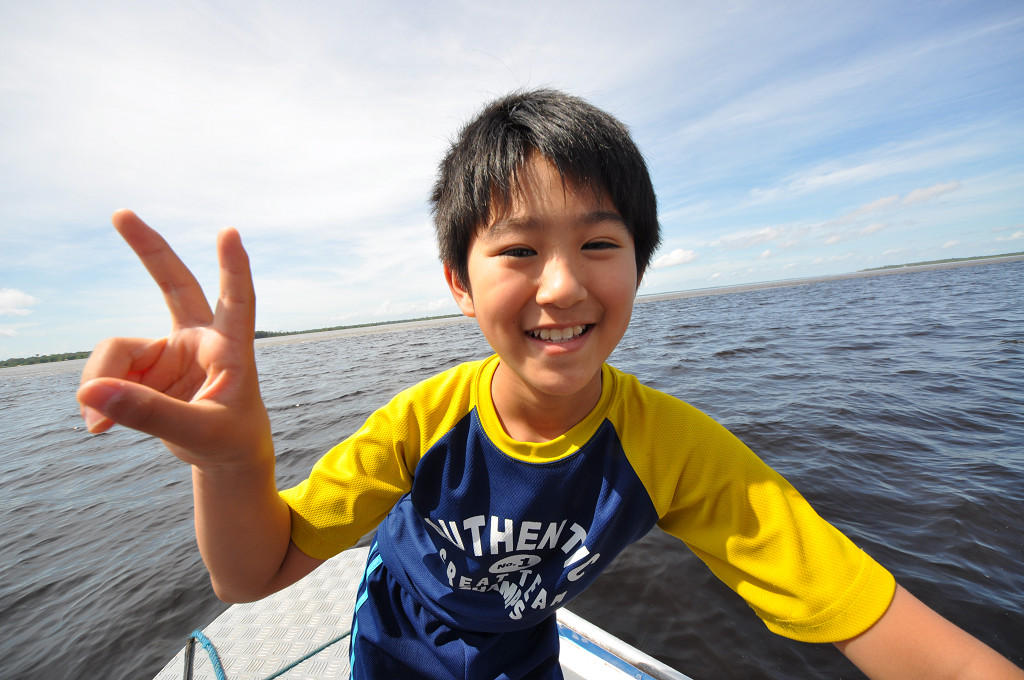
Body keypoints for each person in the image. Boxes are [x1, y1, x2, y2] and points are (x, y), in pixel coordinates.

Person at [77, 89, 1022, 680]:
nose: (563, 285)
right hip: (393, 650)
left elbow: (866, 610)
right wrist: (233, 462)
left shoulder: (671, 448)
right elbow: (253, 575)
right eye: (519, 250)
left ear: (640, 264)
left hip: (525, 655)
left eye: (600, 243)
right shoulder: (422, 422)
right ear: (459, 283)